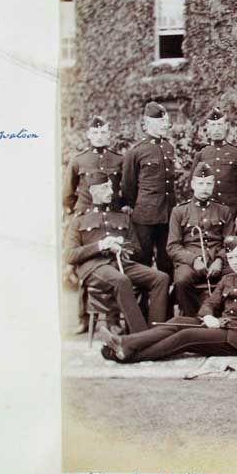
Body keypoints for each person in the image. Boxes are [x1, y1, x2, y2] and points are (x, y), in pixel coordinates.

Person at [99, 237, 237, 363]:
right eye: (231, 258)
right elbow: (209, 304)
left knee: (187, 336)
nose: (234, 263)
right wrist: (208, 317)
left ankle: (128, 353)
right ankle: (125, 345)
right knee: (177, 322)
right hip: (221, 328)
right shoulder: (228, 279)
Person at [63, 172, 170, 334]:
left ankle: (156, 332)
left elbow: (137, 250)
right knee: (121, 280)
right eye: (105, 188)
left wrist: (123, 246)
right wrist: (100, 246)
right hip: (95, 268)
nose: (111, 192)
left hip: (122, 263)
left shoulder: (122, 218)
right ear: (93, 191)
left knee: (161, 278)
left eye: (111, 187)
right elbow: (69, 255)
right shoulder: (80, 220)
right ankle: (139, 337)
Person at [166, 162, 234, 318]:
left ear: (213, 185)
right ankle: (193, 318)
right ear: (192, 184)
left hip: (217, 261)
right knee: (181, 280)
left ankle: (226, 316)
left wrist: (219, 260)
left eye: (209, 183)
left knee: (236, 275)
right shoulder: (179, 211)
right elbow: (173, 246)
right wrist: (193, 260)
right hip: (191, 262)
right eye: (201, 183)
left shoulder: (223, 211)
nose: (205, 188)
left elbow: (229, 243)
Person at [121, 101, 177, 278]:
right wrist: (131, 205)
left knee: (166, 260)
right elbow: (128, 184)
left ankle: (165, 305)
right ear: (148, 124)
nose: (165, 126)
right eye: (160, 122)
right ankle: (143, 305)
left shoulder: (169, 148)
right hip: (145, 215)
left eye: (165, 122)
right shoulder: (136, 151)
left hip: (167, 214)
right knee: (142, 260)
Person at [190, 106, 237, 230]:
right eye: (213, 125)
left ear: (226, 126)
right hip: (207, 213)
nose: (217, 129)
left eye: (220, 124)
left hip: (231, 213)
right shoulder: (201, 154)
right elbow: (194, 186)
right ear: (207, 128)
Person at [62, 114, 123, 216]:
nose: (99, 137)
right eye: (95, 133)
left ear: (108, 134)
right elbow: (67, 193)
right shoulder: (78, 160)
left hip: (112, 215)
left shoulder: (119, 159)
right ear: (88, 135)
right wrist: (79, 211)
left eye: (103, 132)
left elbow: (127, 189)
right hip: (86, 217)